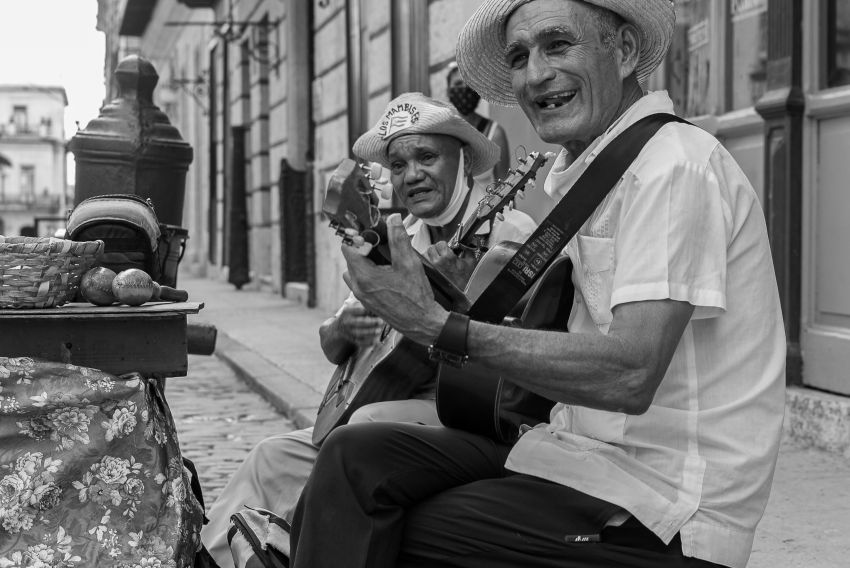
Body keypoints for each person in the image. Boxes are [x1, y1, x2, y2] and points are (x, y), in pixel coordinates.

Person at [289, 1, 786, 568]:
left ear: (623, 51)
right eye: (520, 56)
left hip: (663, 503)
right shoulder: (596, 175)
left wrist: (435, 323)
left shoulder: (671, 168)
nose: (535, 74)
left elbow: (630, 372)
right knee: (354, 454)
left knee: (396, 523)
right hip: (578, 455)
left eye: (558, 45)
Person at [199, 91, 537, 568]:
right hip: (387, 405)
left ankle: (279, 547)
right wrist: (346, 326)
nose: (412, 175)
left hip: (467, 416)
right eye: (398, 165)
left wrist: (462, 301)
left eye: (426, 157)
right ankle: (211, 559)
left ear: (461, 158)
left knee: (364, 429)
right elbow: (328, 341)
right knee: (269, 457)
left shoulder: (507, 232)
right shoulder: (403, 236)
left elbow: (524, 352)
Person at [447, 62, 512, 186]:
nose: (464, 89)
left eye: (469, 85)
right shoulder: (441, 131)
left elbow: (506, 188)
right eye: (458, 84)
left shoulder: (495, 134)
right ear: (448, 90)